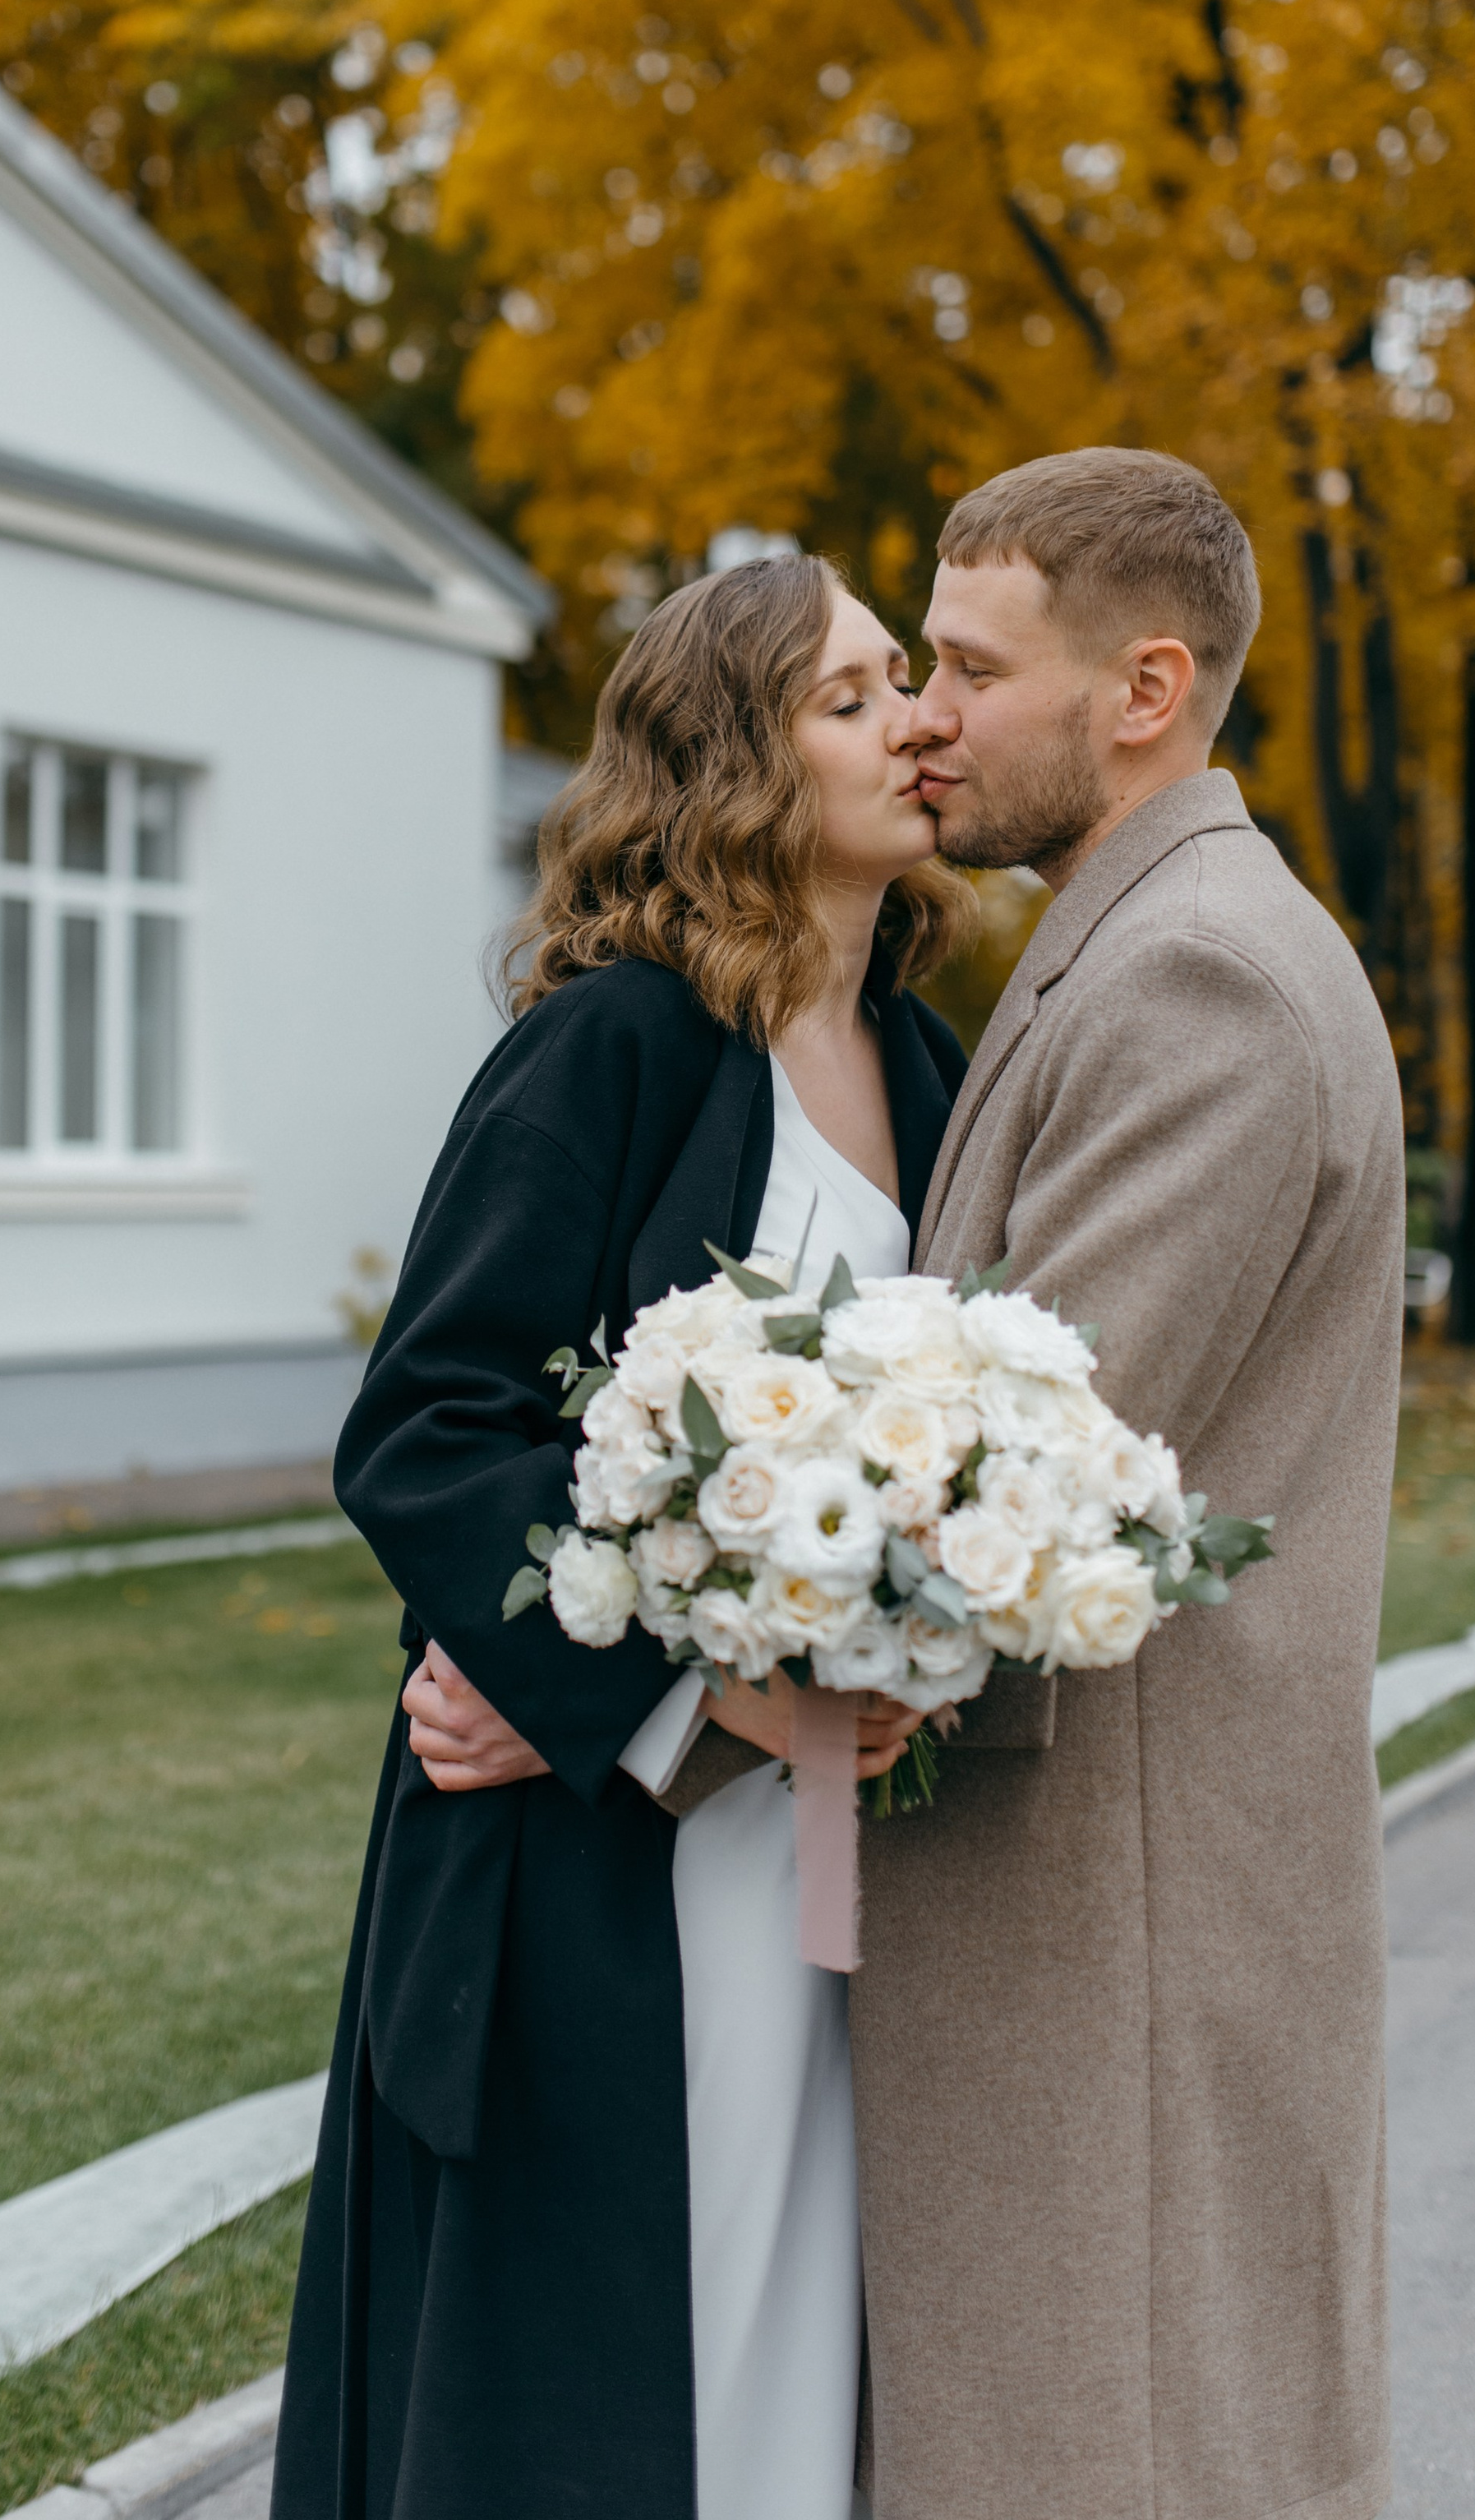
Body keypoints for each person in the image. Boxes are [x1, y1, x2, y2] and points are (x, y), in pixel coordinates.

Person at [270, 552, 975, 2520]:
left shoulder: (930, 1074)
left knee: (788, 2320)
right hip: (596, 1850)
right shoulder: (616, 1047)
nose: (912, 718)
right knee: (601, 2375)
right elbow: (424, 1426)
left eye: (905, 679)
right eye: (852, 695)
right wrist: (676, 1704)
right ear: (737, 762)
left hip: (830, 1835)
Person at [850, 448, 1404, 2520]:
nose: (924, 713)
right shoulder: (1132, 941)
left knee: (1121, 2445)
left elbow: (1008, 1480)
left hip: (1120, 1895)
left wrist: (613, 1712)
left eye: (970, 668)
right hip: (1097, 1877)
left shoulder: (1200, 979)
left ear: (1142, 689)